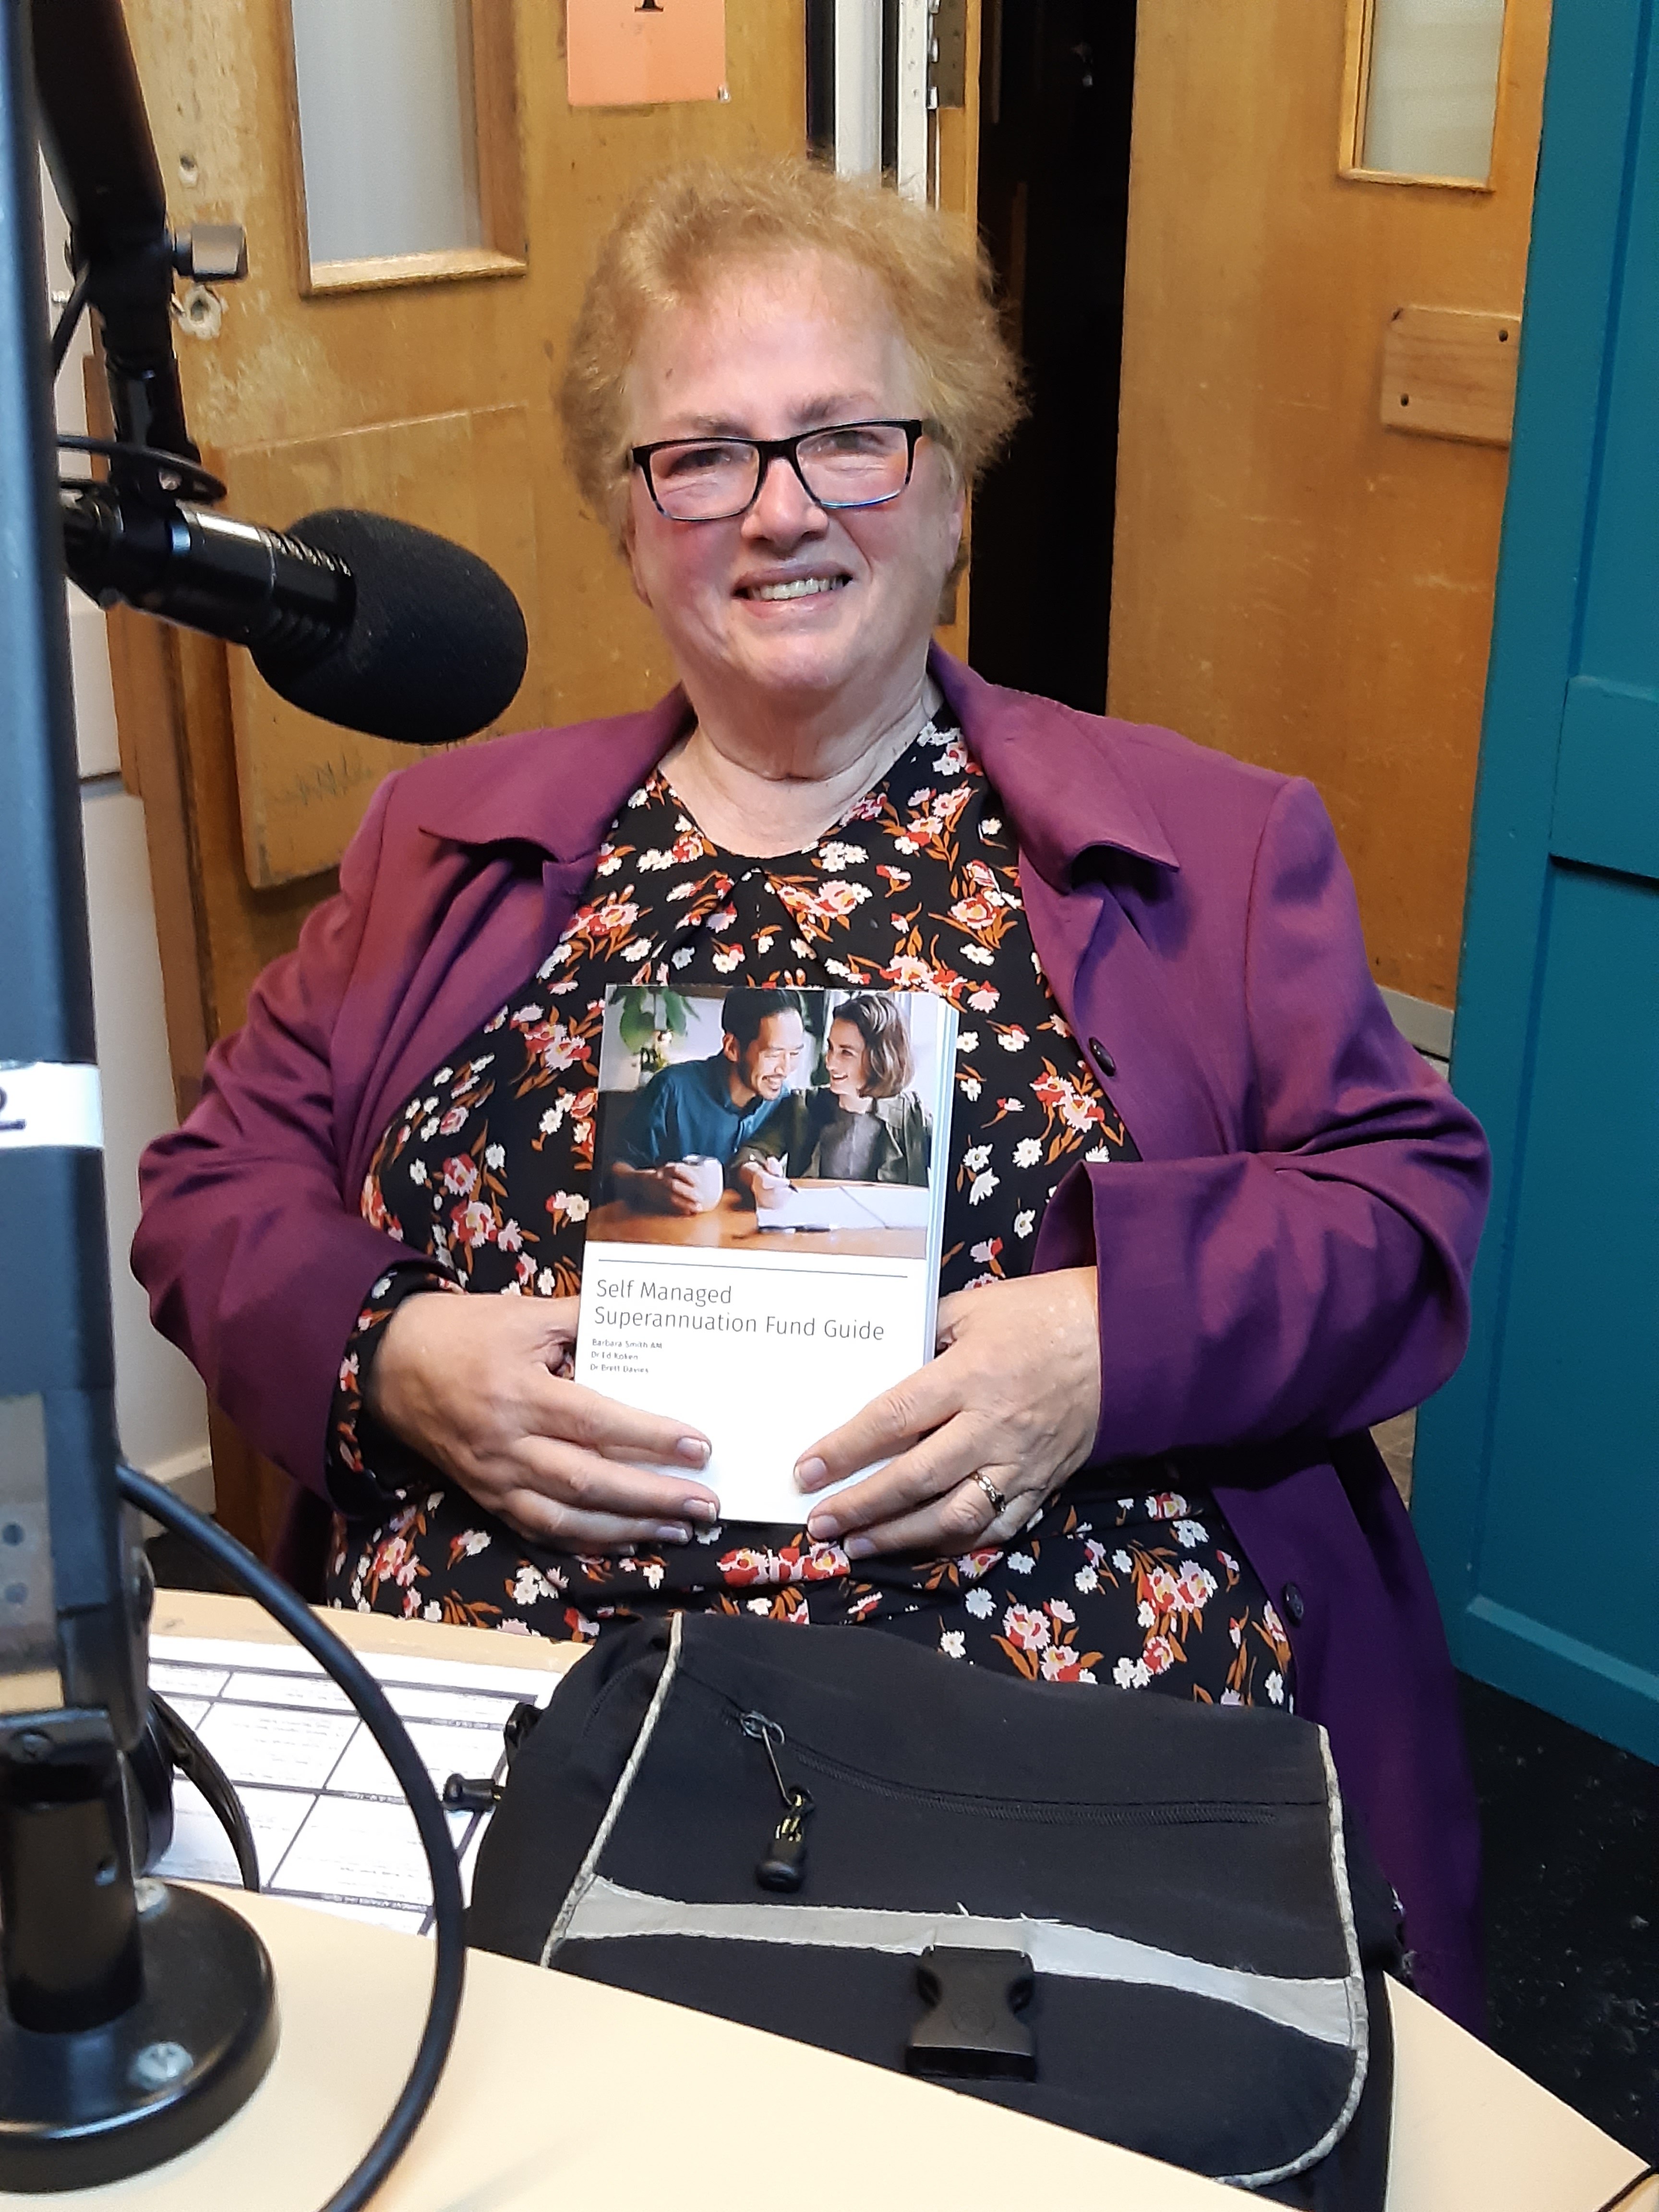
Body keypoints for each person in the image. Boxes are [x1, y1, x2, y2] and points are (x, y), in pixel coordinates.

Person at [133, 159, 1491, 2031]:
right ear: (631, 523)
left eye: (847, 437)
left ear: (949, 483)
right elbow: (212, 1182)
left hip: (1031, 1721)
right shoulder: (438, 841)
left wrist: (1114, 1339)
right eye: (702, 455)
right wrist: (389, 1350)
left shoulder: (1216, 840)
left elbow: (1403, 1206)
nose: (780, 510)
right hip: (513, 1703)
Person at [612, 986, 804, 1213]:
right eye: (774, 1054)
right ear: (732, 1048)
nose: (786, 1069)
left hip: (740, 1230)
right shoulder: (672, 1089)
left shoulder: (783, 1101)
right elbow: (613, 1170)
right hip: (668, 1226)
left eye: (795, 1054)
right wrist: (645, 1184)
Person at [734, 992, 931, 1201]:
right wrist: (758, 1178)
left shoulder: (914, 1117)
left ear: (881, 1059)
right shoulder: (802, 1105)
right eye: (831, 1048)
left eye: (846, 1053)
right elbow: (749, 1155)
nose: (830, 1063)